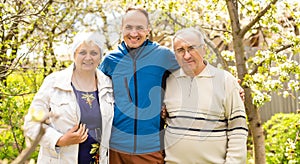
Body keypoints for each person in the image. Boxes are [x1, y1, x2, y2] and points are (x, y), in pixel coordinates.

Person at [99, 7, 179, 163]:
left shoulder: (163, 56)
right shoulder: (110, 60)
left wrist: (230, 86)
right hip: (116, 149)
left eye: (139, 28)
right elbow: (90, 89)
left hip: (150, 149)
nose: (133, 33)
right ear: (121, 29)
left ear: (148, 30)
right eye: (128, 27)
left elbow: (195, 73)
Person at [23, 31, 114, 164]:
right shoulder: (53, 82)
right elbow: (31, 123)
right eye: (82, 52)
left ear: (100, 56)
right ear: (74, 55)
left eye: (94, 53)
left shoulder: (108, 85)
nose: (88, 58)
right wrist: (59, 140)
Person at [163, 27, 248, 163]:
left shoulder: (225, 80)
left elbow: (238, 130)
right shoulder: (169, 81)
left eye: (191, 48)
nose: (186, 55)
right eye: (180, 50)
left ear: (204, 50)